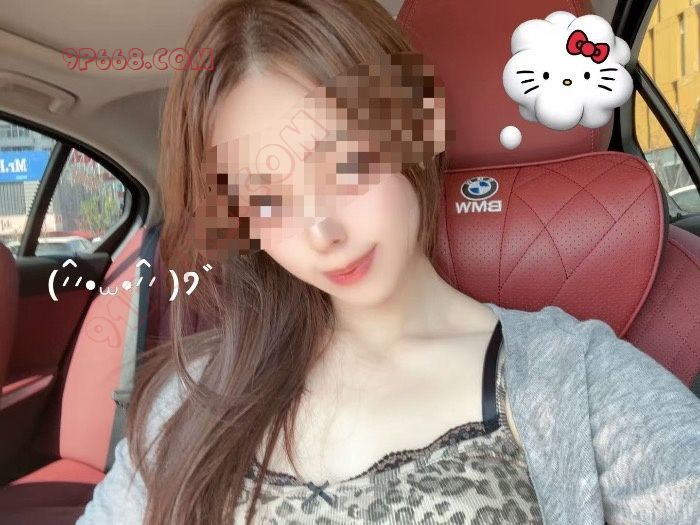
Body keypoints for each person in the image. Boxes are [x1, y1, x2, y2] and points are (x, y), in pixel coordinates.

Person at [77, 1, 700, 524]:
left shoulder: (574, 382)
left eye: (344, 164)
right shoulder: (194, 399)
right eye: (266, 199)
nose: (321, 232)